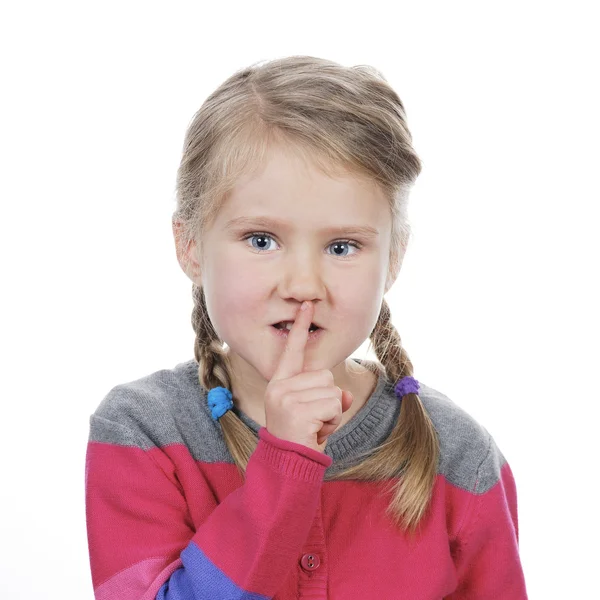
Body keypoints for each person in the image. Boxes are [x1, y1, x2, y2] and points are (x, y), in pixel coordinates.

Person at [85, 55, 529, 599]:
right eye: (261, 240)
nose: (302, 284)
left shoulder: (457, 455)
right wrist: (283, 465)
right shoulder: (143, 433)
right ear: (190, 244)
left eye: (342, 246)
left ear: (394, 259)